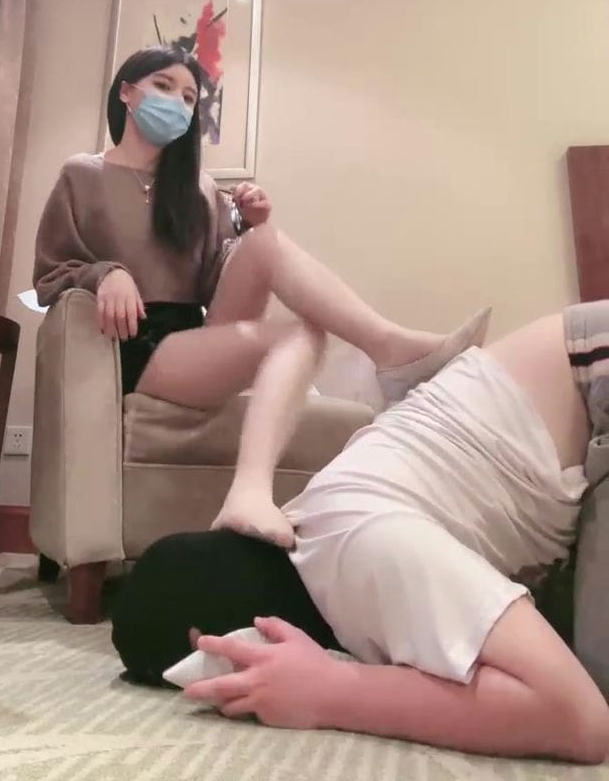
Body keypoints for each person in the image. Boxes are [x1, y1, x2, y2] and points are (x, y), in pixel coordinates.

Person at [111, 301, 609, 765]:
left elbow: (579, 719)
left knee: (592, 681)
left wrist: (330, 690)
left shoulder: (363, 547)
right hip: (583, 423)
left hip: (594, 378)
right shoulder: (331, 551)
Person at [34, 41, 489, 545]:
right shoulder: (83, 174)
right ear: (127, 92)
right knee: (294, 333)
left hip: (192, 338)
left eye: (188, 98)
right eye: (163, 86)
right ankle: (392, 357)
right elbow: (51, 273)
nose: (177, 103)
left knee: (286, 287)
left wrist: (248, 228)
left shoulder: (198, 188)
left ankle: (378, 358)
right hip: (131, 348)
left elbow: (213, 283)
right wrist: (106, 273)